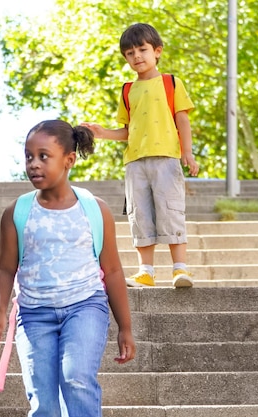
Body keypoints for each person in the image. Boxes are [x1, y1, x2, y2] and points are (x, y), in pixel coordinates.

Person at [0, 120, 136, 417]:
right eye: (29, 156)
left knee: (76, 377)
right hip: (34, 314)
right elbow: (4, 269)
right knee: (44, 401)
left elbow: (114, 271)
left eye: (44, 156)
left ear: (69, 160)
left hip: (85, 307)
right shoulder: (17, 212)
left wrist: (125, 328)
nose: (33, 164)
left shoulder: (95, 208)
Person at [82, 23, 199, 288]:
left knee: (171, 211)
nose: (137, 56)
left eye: (142, 50)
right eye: (130, 53)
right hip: (135, 163)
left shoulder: (171, 83)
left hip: (166, 159)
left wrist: (187, 153)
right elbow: (127, 131)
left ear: (157, 51)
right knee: (140, 214)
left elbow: (182, 121)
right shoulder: (127, 91)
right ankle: (145, 271)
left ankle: (180, 269)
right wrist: (102, 133)